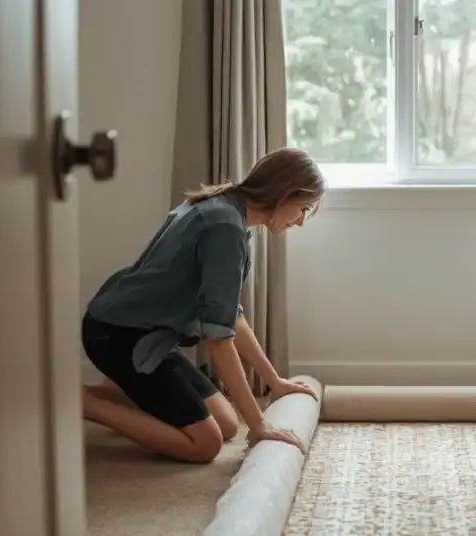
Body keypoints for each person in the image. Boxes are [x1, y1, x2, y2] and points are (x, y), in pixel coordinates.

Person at [80, 147, 325, 463]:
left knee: (226, 425)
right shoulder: (225, 227)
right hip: (121, 335)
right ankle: (81, 403)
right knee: (204, 444)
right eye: (303, 208)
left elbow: (229, 316)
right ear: (284, 194)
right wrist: (260, 425)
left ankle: (116, 392)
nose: (301, 221)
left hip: (140, 329)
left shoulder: (226, 210)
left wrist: (274, 382)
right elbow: (218, 339)